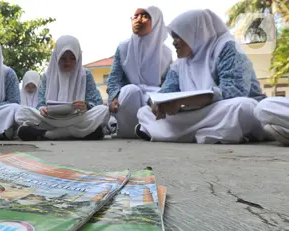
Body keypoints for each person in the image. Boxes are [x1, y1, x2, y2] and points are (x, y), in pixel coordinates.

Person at [135, 9, 266, 144]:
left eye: (179, 36)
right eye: (173, 38)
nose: (174, 42)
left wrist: (183, 102)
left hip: (222, 108)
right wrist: (157, 104)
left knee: (243, 107)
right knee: (145, 112)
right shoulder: (179, 64)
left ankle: (169, 133)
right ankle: (208, 133)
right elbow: (165, 92)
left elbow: (234, 92)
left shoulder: (227, 48)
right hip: (199, 113)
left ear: (197, 33)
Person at [16, 35, 109, 141]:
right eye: (63, 58)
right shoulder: (47, 76)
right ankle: (76, 133)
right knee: (21, 112)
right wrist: (42, 110)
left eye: (72, 58)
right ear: (56, 56)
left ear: (78, 58)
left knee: (104, 110)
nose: (67, 62)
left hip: (77, 118)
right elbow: (40, 103)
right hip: (51, 120)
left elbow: (97, 102)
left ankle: (49, 134)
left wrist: (86, 105)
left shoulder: (85, 75)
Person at [106, 6, 172, 138]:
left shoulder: (165, 53)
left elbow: (168, 84)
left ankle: (148, 130)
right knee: (132, 91)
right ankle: (129, 131)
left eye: (145, 16)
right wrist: (114, 98)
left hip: (152, 97)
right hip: (129, 97)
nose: (138, 20)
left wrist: (160, 99)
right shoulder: (124, 47)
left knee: (158, 96)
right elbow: (114, 78)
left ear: (156, 22)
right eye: (135, 16)